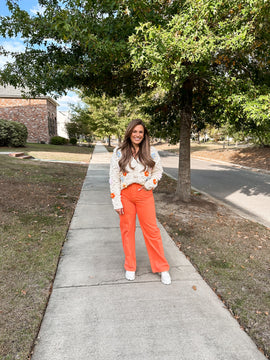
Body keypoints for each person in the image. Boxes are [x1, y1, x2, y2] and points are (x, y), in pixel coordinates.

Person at [109, 119, 171, 285]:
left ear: (144, 135)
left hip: (144, 195)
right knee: (127, 231)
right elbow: (114, 178)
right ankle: (130, 266)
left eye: (140, 132)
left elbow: (158, 171)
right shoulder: (118, 152)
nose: (137, 135)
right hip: (125, 196)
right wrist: (117, 202)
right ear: (129, 132)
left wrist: (151, 184)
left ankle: (162, 267)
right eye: (134, 131)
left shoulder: (151, 152)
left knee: (152, 231)